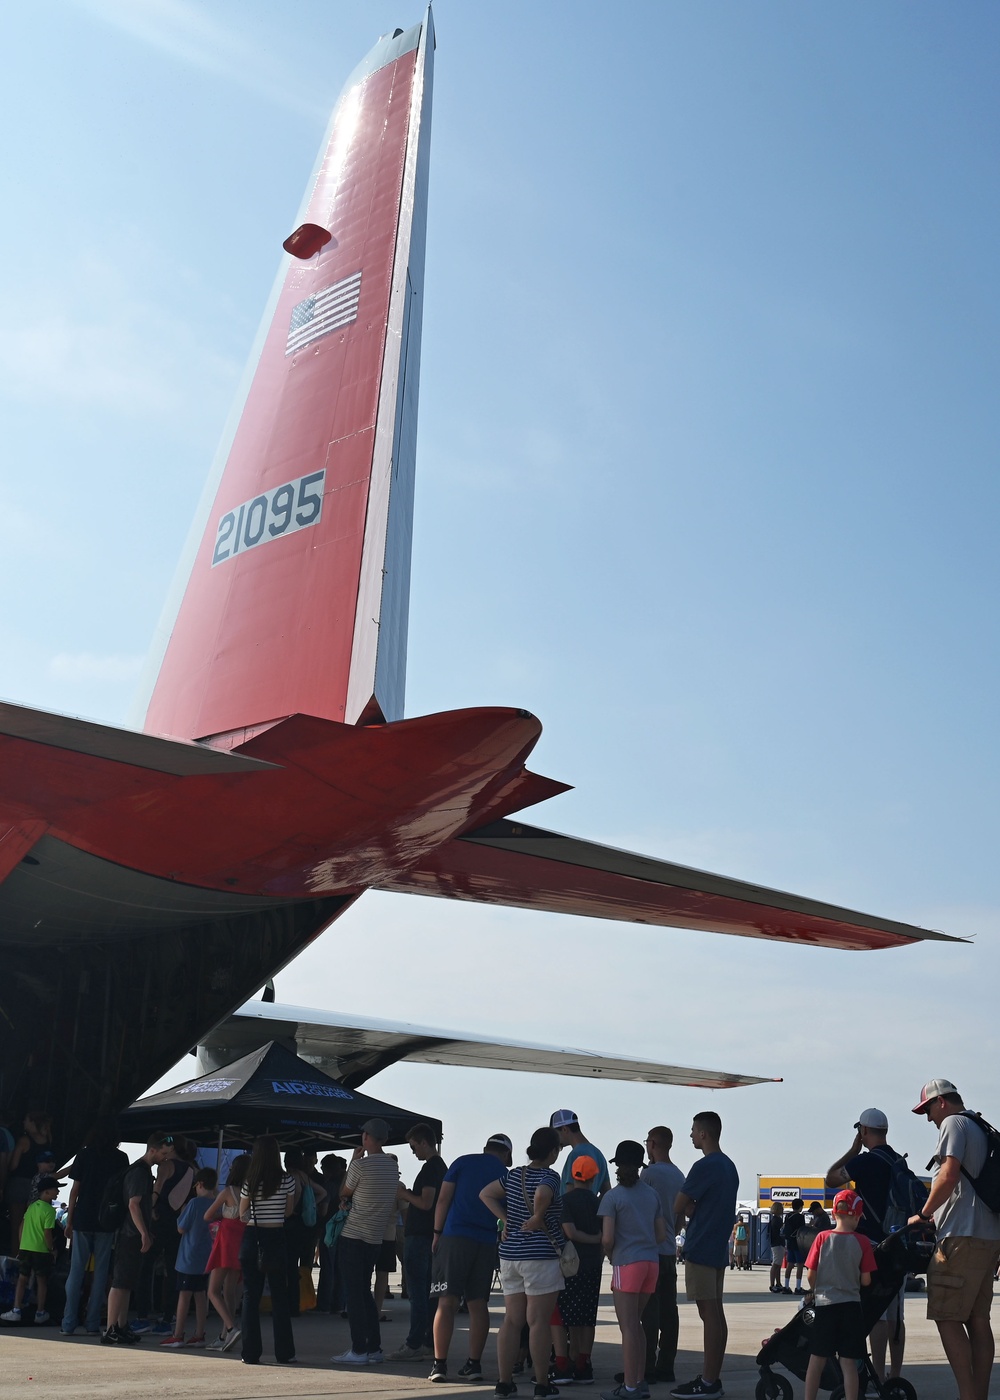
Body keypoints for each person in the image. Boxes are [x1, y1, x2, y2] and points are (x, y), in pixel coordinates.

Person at [909, 1078, 1000, 1400]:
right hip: (989, 1237)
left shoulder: (953, 1123)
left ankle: (967, 1395)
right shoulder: (979, 1125)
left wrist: (923, 1213)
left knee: (947, 1316)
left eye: (928, 1110)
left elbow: (947, 1175)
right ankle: (979, 1394)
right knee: (978, 1320)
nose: (929, 1118)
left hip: (960, 1236)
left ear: (942, 1102)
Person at [481, 1125, 565, 1400]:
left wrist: (505, 1220)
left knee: (512, 1321)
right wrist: (539, 1215)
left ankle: (504, 1382)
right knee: (539, 1321)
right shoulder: (550, 1176)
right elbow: (542, 1191)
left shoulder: (514, 1174)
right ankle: (542, 1384)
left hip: (510, 1256)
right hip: (540, 1256)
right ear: (552, 1151)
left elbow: (486, 1193)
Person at [826, 1107, 907, 1381]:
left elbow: (831, 1178)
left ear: (863, 1131)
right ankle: (895, 1376)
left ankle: (878, 1378)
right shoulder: (898, 1161)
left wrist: (852, 1150)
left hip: (872, 1245)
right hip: (897, 1244)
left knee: (876, 1314)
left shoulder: (864, 1162)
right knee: (896, 1314)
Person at [428, 1131, 512, 1384]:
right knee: (478, 1304)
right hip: (486, 1242)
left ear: (486, 1147)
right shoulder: (506, 1174)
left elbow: (443, 1199)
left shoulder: (462, 1162)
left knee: (446, 1302)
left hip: (455, 1237)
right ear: (506, 1153)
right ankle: (474, 1364)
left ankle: (439, 1365)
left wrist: (436, 1233)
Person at [669, 1111, 739, 1400]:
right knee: (716, 1313)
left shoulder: (704, 1166)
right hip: (718, 1247)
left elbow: (678, 1204)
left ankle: (709, 1382)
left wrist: (689, 1207)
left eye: (693, 1131)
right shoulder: (729, 1166)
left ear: (703, 1134)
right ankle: (713, 1376)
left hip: (700, 1246)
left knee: (707, 1314)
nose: (691, 1135)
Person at [330, 1116, 400, 1367]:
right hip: (375, 1237)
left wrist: (353, 1163)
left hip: (353, 1234)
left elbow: (344, 1192)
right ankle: (374, 1347)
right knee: (364, 1292)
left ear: (366, 1137)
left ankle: (359, 1348)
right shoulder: (392, 1167)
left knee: (354, 1294)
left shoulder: (360, 1166)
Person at [598, 1140, 666, 1400]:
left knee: (627, 1326)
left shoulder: (612, 1197)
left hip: (626, 1262)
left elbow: (606, 1238)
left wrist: (611, 1254)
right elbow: (661, 1234)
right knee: (637, 1325)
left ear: (617, 1166)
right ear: (640, 1166)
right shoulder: (652, 1195)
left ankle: (629, 1387)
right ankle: (640, 1379)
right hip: (651, 1263)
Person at [802, 1188, 876, 1400]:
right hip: (851, 1307)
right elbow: (866, 1280)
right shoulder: (862, 1242)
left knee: (817, 1360)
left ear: (834, 1214)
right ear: (857, 1216)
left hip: (825, 1305)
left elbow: (810, 1276)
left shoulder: (822, 1238)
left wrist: (818, 1288)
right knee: (848, 1362)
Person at [103, 1130, 175, 1346]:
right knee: (120, 1282)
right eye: (163, 1153)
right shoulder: (139, 1172)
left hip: (133, 1233)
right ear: (152, 1150)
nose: (165, 1158)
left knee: (126, 1283)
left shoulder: (143, 1171)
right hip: (129, 1234)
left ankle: (120, 1326)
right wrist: (144, 1232)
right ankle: (110, 1328)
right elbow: (133, 1204)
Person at [60, 1121, 128, 1336]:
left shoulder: (84, 1155)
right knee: (100, 1273)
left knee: (76, 1271)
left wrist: (69, 1220)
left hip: (82, 1217)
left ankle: (68, 1322)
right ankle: (92, 1323)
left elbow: (74, 1190)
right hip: (106, 1220)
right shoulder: (121, 1158)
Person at [389, 1122, 448, 1362]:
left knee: (418, 1294)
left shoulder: (431, 1169)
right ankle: (426, 1340)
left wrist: (402, 1193)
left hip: (420, 1237)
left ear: (424, 1143)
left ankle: (415, 1342)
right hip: (430, 1236)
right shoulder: (440, 1167)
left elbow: (425, 1202)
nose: (413, 1152)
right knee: (427, 1292)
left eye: (414, 1147)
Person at [239, 1134, 297, 1366]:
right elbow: (289, 1211)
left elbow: (243, 1214)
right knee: (279, 1296)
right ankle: (285, 1353)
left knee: (250, 1296)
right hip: (276, 1236)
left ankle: (251, 1353)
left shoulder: (249, 1182)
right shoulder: (287, 1180)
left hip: (253, 1236)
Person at [552, 1154, 604, 1385]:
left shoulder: (565, 1200)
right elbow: (605, 1236)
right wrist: (598, 1241)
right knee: (587, 1317)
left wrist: (589, 1240)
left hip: (570, 1266)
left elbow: (570, 1233)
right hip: (593, 1265)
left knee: (567, 1315)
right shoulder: (599, 1203)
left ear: (572, 1175)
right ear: (594, 1177)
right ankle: (584, 1362)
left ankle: (567, 1361)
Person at [639, 1126, 685, 1383]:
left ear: (653, 1143)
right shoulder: (679, 1175)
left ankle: (645, 1366)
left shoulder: (649, 1175)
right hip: (669, 1251)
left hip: (650, 1251)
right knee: (670, 1312)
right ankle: (667, 1365)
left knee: (648, 1312)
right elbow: (679, 1218)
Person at [161, 1167, 217, 1348]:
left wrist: (181, 1212)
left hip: (188, 1257)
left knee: (184, 1296)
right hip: (206, 1257)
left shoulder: (194, 1203)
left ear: (199, 1184)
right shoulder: (217, 1203)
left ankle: (178, 1334)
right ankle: (199, 1333)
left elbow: (181, 1228)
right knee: (200, 1296)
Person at [204, 1152, 249, 1350]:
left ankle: (231, 1329)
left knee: (213, 1291)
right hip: (242, 1241)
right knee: (230, 1292)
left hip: (226, 1240)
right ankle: (224, 1336)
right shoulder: (252, 1192)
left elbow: (208, 1215)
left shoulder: (228, 1191)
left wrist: (222, 1218)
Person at [1, 1174, 60, 1324]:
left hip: (26, 1248)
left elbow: (22, 1226)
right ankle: (40, 1312)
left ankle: (16, 1310)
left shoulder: (32, 1207)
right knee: (41, 1281)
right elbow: (47, 1233)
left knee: (22, 1279)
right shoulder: (49, 1211)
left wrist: (21, 1245)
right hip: (41, 1250)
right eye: (55, 1189)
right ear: (46, 1192)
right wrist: (51, 1248)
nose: (58, 1192)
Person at [5, 1111, 55, 1248]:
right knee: (33, 1226)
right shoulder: (48, 1140)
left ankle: (16, 1257)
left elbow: (13, 1165)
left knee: (17, 1226)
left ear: (33, 1122)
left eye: (26, 1120)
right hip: (38, 1187)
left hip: (19, 1184)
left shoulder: (24, 1141)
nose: (23, 1122)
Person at [551, 1111, 610, 1196]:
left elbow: (570, 1195)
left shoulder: (575, 1154)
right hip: (591, 1209)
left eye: (556, 1134)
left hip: (571, 1209)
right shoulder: (598, 1153)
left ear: (564, 1129)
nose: (555, 1139)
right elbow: (606, 1192)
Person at [781, 1198, 807, 1294]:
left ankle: (786, 1286)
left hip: (790, 1242)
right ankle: (798, 1287)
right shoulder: (800, 1217)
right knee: (800, 1265)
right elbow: (802, 1230)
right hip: (798, 1243)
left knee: (790, 1265)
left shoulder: (788, 1216)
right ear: (800, 1206)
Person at [767, 1203, 785, 1294]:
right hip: (778, 1244)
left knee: (778, 1264)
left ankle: (778, 1283)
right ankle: (772, 1284)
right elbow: (781, 1232)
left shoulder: (773, 1220)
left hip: (775, 1243)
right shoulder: (777, 1220)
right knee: (776, 1264)